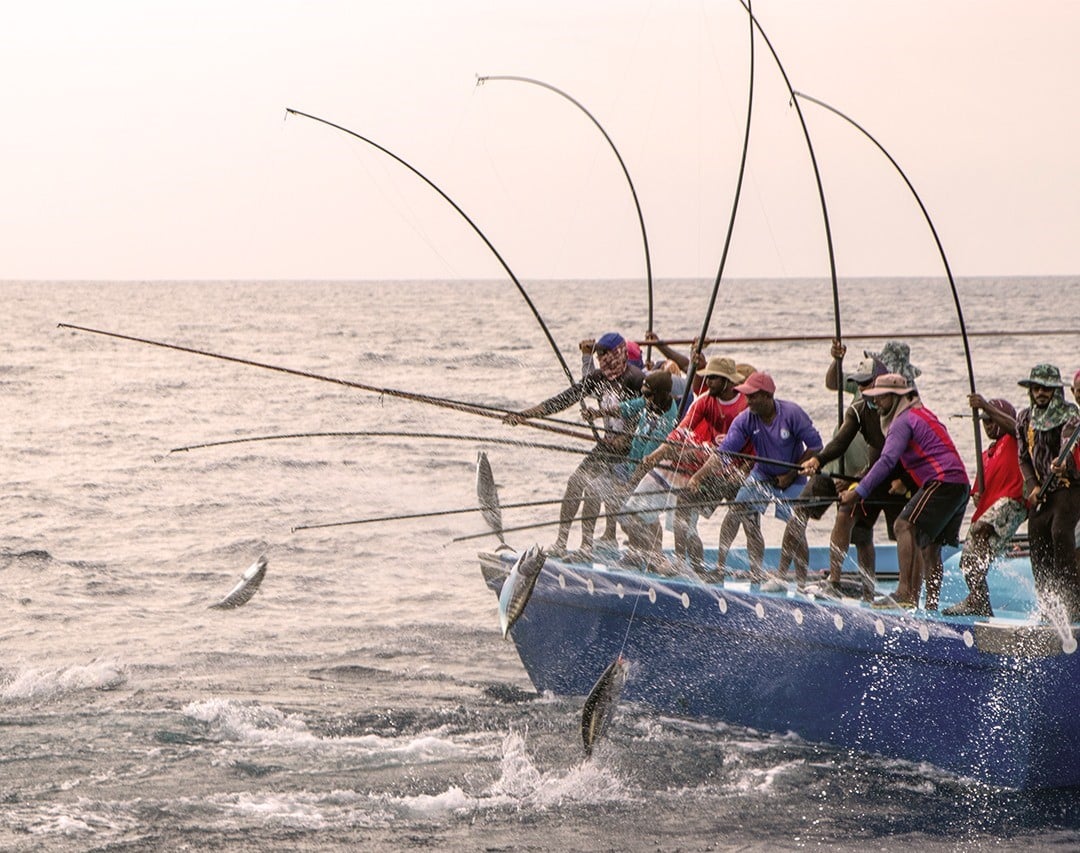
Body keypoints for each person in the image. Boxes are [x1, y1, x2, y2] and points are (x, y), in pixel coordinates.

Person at [504, 332, 644, 558]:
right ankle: (561, 543)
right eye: (599, 355)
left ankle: (587, 547)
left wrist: (626, 438)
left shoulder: (635, 378)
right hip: (608, 446)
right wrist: (524, 416)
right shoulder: (599, 378)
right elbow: (563, 400)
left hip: (633, 449)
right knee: (575, 482)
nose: (602, 360)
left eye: (606, 354)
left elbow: (644, 411)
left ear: (619, 353)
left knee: (594, 489)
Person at [839, 374, 969, 610]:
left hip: (942, 481)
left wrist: (858, 493)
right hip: (960, 484)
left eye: (881, 397)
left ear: (896, 397)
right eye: (874, 397)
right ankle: (930, 606)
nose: (876, 402)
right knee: (929, 545)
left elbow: (887, 461)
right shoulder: (922, 413)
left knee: (903, 525)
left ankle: (904, 593)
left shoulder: (902, 421)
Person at [794, 354, 913, 600]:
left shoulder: (904, 412)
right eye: (859, 384)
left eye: (867, 383)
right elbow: (840, 441)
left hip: (902, 478)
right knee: (847, 513)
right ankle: (835, 582)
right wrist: (818, 460)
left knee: (906, 530)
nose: (862, 389)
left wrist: (905, 481)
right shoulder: (858, 410)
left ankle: (908, 590)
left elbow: (903, 455)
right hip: (875, 475)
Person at [689, 371, 823, 586]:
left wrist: (792, 473)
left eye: (752, 396)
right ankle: (723, 568)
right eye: (746, 395)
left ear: (768, 396)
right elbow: (723, 454)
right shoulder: (745, 419)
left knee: (796, 526)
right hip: (762, 474)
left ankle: (798, 581)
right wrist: (698, 477)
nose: (748, 400)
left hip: (793, 475)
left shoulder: (792, 413)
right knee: (736, 511)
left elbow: (816, 446)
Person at [631, 356, 749, 572]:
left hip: (736, 471)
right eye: (707, 377)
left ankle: (732, 569)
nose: (708, 382)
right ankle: (682, 562)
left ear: (727, 381)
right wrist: (656, 455)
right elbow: (680, 431)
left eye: (712, 378)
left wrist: (742, 471)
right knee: (683, 508)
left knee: (748, 521)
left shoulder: (744, 407)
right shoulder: (704, 401)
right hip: (710, 467)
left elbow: (754, 447)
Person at [585, 370, 679, 570]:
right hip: (630, 465)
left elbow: (647, 463)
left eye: (648, 395)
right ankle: (639, 554)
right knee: (594, 488)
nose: (644, 399)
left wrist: (628, 486)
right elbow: (625, 408)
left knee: (636, 514)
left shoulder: (666, 422)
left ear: (662, 394)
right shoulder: (649, 402)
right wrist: (597, 413)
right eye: (643, 394)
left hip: (652, 475)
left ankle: (649, 557)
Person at [942, 396, 1025, 617]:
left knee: (980, 530)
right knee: (968, 556)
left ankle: (978, 597)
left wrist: (985, 406)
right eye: (985, 421)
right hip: (991, 511)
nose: (988, 426)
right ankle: (978, 599)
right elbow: (978, 494)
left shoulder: (1015, 439)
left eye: (991, 420)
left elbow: (1015, 426)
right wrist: (977, 497)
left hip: (1012, 502)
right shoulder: (984, 456)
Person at [1015, 363, 1080, 619]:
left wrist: (1064, 462)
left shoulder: (1070, 413)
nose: (1041, 393)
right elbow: (1023, 457)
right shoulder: (1024, 418)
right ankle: (1048, 606)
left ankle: (1072, 603)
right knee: (1037, 538)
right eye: (1036, 388)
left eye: (1046, 389)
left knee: (1060, 534)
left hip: (1068, 487)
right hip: (1042, 491)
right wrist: (1032, 485)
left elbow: (1069, 441)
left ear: (1055, 391)